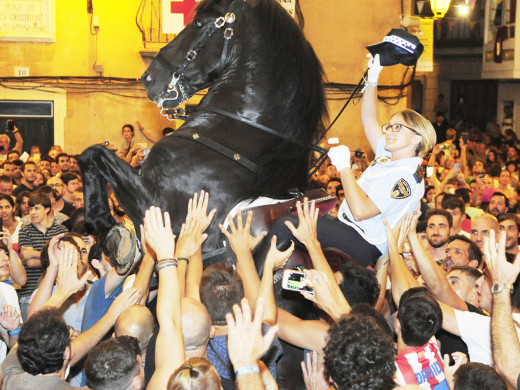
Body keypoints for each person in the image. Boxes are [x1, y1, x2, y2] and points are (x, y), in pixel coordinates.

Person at [256, 54, 436, 267]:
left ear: (418, 138)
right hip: (347, 227)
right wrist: (372, 78)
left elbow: (361, 211)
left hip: (363, 242)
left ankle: (250, 281)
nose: (388, 131)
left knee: (290, 223)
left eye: (398, 127)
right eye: (389, 126)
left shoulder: (405, 179)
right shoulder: (389, 157)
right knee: (289, 207)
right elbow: (368, 119)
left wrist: (344, 167)